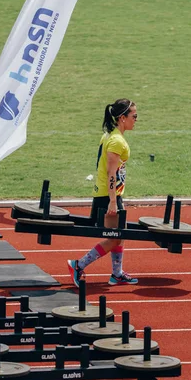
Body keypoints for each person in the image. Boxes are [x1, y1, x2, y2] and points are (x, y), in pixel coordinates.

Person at [67, 98, 139, 287]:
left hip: (110, 194)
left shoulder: (111, 135)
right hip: (108, 196)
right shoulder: (116, 141)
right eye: (134, 116)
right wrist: (113, 201)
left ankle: (117, 274)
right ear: (122, 118)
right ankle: (78, 265)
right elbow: (111, 172)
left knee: (118, 235)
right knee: (115, 237)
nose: (136, 119)